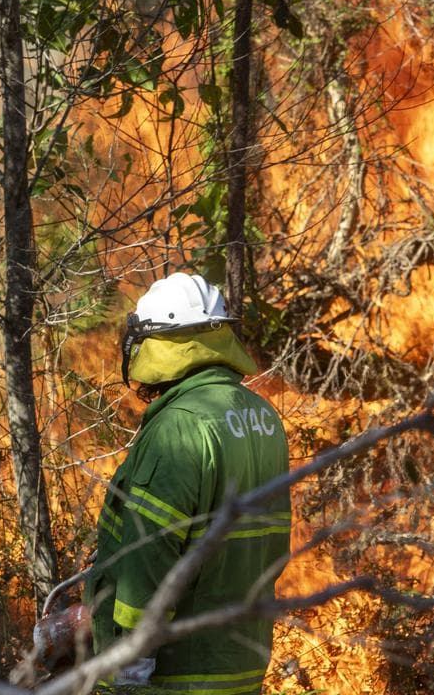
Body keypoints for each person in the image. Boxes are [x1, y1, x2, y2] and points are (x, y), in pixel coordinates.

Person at [83, 272, 291, 694]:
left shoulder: (179, 426)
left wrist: (130, 667)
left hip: (176, 676)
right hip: (241, 667)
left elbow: (149, 557)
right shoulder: (263, 417)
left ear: (158, 346)